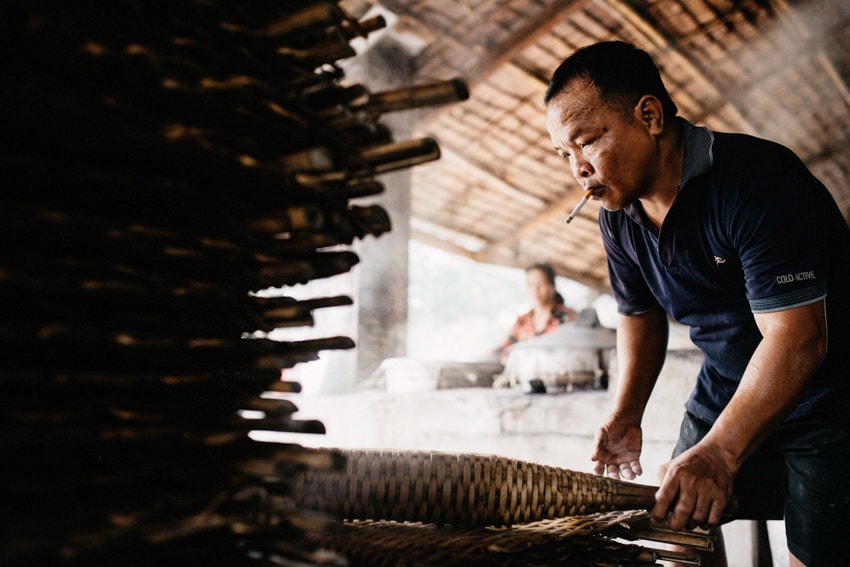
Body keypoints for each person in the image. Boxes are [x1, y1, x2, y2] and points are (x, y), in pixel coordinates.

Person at [544, 41, 850, 566]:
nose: (578, 168)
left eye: (587, 141)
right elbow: (639, 314)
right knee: (677, 525)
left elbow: (799, 338)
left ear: (650, 115)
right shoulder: (618, 215)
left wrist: (721, 452)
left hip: (827, 392)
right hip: (727, 381)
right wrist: (626, 413)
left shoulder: (759, 183)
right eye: (564, 154)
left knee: (815, 554)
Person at [498, 263, 577, 355]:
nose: (535, 289)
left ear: (552, 286)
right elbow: (505, 349)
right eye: (530, 284)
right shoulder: (522, 322)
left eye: (541, 283)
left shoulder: (568, 317)